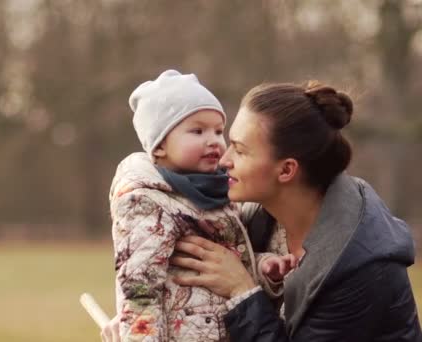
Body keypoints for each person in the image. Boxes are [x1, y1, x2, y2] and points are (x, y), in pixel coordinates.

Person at [167, 81, 422, 341]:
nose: (224, 160)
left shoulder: (359, 269)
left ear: (287, 170)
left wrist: (241, 290)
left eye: (240, 151)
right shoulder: (255, 218)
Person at [107, 70, 292, 342]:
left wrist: (264, 267)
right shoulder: (145, 201)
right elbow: (139, 292)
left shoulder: (214, 192)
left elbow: (228, 262)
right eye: (197, 130)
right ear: (159, 146)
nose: (214, 141)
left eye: (218, 131)